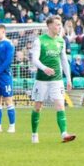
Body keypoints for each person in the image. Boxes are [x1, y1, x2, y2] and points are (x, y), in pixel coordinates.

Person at [30, 16, 76, 144]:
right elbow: (34, 59)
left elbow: (64, 60)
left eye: (60, 25)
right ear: (49, 26)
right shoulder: (39, 40)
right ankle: (34, 134)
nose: (59, 27)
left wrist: (68, 79)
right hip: (42, 80)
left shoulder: (61, 41)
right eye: (56, 24)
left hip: (57, 79)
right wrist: (44, 68)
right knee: (38, 107)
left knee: (60, 105)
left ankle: (64, 134)